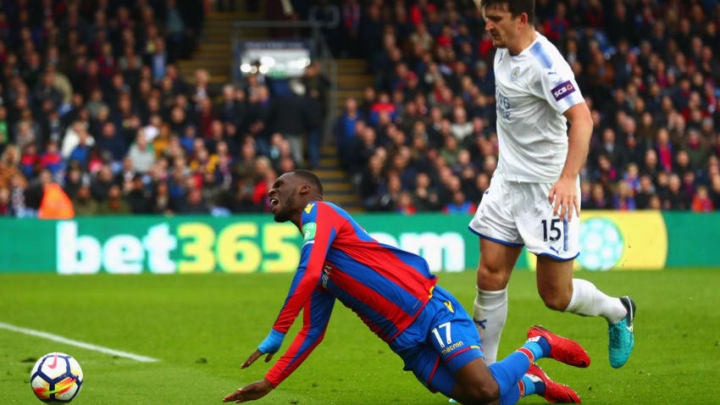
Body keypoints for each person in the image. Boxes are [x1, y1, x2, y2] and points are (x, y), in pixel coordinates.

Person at [223, 170, 590, 404]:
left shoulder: (322, 212)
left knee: (488, 389)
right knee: (484, 399)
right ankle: (534, 384)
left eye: (279, 185)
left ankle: (538, 344)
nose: (270, 190)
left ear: (304, 191)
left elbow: (307, 270)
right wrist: (270, 382)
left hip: (428, 311)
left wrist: (275, 332)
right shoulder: (321, 272)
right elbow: (312, 332)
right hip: (406, 345)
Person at [467, 0, 635, 369]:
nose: (488, 27)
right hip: (508, 180)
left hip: (548, 190)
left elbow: (583, 120)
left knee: (556, 295)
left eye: (495, 20)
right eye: (486, 19)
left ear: (521, 19)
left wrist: (568, 178)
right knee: (489, 273)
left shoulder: (546, 65)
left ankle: (619, 311)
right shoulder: (504, 44)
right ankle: (480, 380)